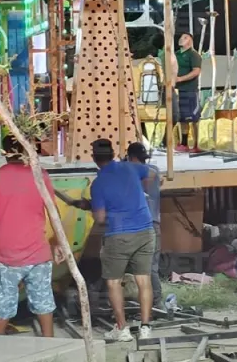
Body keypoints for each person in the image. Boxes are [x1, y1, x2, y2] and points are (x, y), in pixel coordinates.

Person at [57, 139, 154, 342]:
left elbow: (100, 218)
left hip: (118, 235)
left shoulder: (99, 184)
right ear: (114, 154)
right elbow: (151, 175)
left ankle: (122, 329)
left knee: (113, 282)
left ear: (94, 158)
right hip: (146, 230)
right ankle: (145, 328)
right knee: (143, 280)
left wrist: (93, 205)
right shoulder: (131, 167)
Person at [0, 133, 62, 336]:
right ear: (26, 150)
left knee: (0, 309)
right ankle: (50, 349)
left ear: (5, 153)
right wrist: (59, 242)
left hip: (5, 256)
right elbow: (53, 212)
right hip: (38, 255)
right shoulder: (40, 175)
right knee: (44, 306)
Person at [125, 142, 163, 303]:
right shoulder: (154, 170)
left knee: (145, 268)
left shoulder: (133, 172)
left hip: (141, 226)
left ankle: (156, 302)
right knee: (148, 267)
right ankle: (153, 302)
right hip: (152, 224)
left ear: (131, 157)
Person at [170, 33, 203, 150]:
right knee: (182, 118)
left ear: (190, 41)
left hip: (190, 90)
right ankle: (184, 144)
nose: (181, 39)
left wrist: (180, 79)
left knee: (194, 118)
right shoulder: (175, 54)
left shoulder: (194, 55)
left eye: (185, 37)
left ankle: (197, 145)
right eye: (180, 37)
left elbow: (196, 71)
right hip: (177, 90)